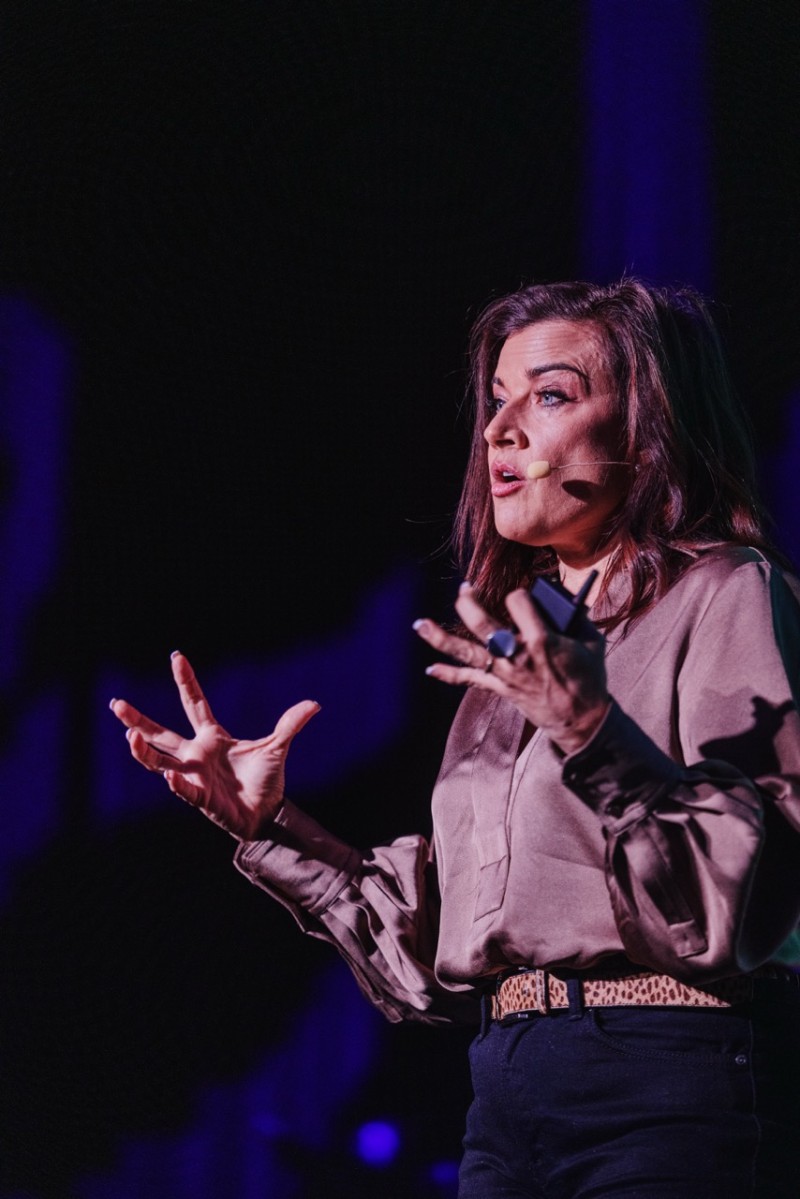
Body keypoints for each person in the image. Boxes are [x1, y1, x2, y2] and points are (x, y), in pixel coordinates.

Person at [110, 279, 800, 1197]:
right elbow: (434, 962)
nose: (498, 429)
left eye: (550, 395)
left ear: (646, 428)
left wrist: (592, 730)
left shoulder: (725, 592)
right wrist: (269, 827)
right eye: (497, 398)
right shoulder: (515, 647)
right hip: (504, 1098)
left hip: (671, 1079)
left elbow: (750, 901)